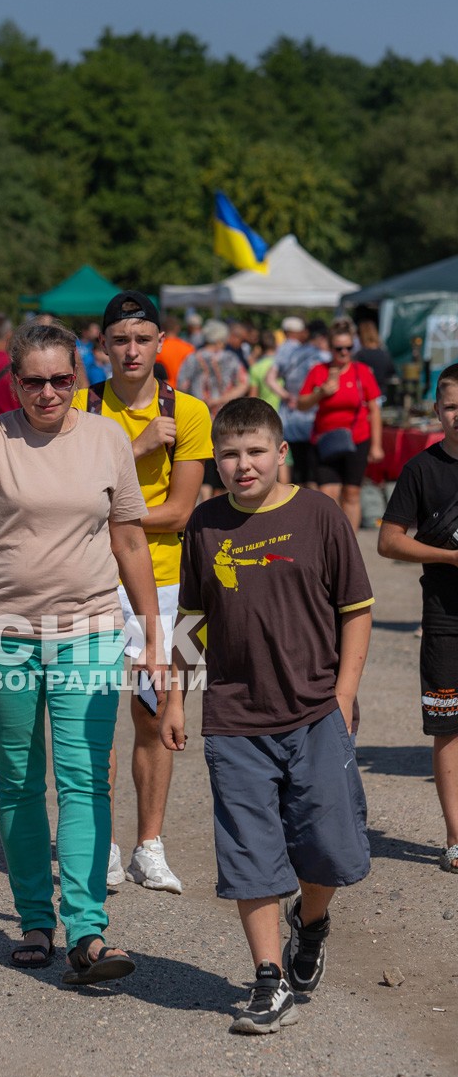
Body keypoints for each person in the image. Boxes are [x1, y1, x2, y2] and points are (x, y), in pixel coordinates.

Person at [0, 319, 165, 984]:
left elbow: (129, 542)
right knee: (19, 781)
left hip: (89, 628)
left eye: (60, 379)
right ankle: (35, 917)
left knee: (86, 777)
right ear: (14, 381)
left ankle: (88, 930)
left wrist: (151, 633)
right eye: (32, 380)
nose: (46, 392)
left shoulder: (107, 438)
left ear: (79, 377)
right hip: (1, 631)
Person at [160, 398, 374, 1034]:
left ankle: (310, 924)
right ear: (215, 462)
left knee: (329, 847)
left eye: (255, 452)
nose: (242, 465)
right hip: (234, 717)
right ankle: (268, 977)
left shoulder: (320, 515)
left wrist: (342, 696)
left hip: (314, 712)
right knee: (251, 850)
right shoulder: (204, 524)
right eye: (229, 455)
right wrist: (175, 696)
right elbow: (190, 621)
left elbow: (356, 609)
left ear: (282, 453)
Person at [74, 291, 212, 894]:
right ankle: (101, 842)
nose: (131, 350)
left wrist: (109, 511)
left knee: (154, 713)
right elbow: (71, 493)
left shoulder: (189, 411)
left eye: (142, 338)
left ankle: (148, 846)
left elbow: (181, 512)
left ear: (161, 343)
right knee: (90, 715)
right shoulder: (77, 406)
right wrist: (137, 450)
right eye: (120, 339)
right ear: (102, 345)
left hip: (166, 581)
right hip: (89, 580)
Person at [378, 363, 458, 873]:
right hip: (446, 619)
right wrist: (449, 558)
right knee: (448, 730)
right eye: (451, 406)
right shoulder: (421, 470)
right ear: (436, 411)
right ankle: (455, 838)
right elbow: (388, 540)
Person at [297, 318, 384, 533]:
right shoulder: (318, 371)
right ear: (330, 347)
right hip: (325, 441)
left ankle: (350, 542)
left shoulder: (362, 371)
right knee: (327, 494)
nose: (344, 353)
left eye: (349, 347)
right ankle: (330, 539)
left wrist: (376, 445)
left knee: (352, 494)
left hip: (357, 439)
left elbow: (374, 410)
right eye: (339, 349)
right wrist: (321, 392)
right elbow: (301, 404)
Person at [177, 319, 248, 499]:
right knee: (226, 456)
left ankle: (205, 503)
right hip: (226, 414)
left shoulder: (193, 358)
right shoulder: (231, 358)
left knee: (205, 462)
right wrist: (223, 398)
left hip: (199, 414)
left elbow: (181, 385)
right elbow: (244, 383)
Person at [265, 319, 330, 489]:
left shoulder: (286, 351)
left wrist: (286, 396)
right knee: (313, 467)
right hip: (314, 414)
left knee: (291, 462)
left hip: (290, 413)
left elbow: (270, 379)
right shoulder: (322, 355)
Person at [356, 320, 396, 399]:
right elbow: (391, 372)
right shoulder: (385, 354)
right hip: (382, 393)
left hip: (366, 395)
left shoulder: (360, 355)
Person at [157, 313, 194, 389]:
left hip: (165, 389)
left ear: (162, 329)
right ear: (178, 328)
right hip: (185, 389)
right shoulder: (189, 348)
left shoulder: (158, 349)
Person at [247, 331, 280, 410]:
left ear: (260, 348)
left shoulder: (255, 368)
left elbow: (253, 399)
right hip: (285, 412)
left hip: (266, 414)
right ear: (276, 344)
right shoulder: (284, 363)